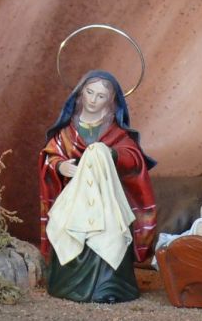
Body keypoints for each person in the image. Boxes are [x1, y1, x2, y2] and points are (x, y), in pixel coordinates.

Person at [39, 70, 157, 303]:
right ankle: (67, 284)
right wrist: (60, 166)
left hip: (107, 201)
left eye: (100, 96)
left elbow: (133, 158)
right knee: (69, 233)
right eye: (89, 92)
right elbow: (50, 155)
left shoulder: (115, 132)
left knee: (111, 236)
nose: (93, 100)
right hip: (75, 201)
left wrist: (110, 154)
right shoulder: (66, 133)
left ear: (110, 101)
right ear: (80, 94)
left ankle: (111, 287)